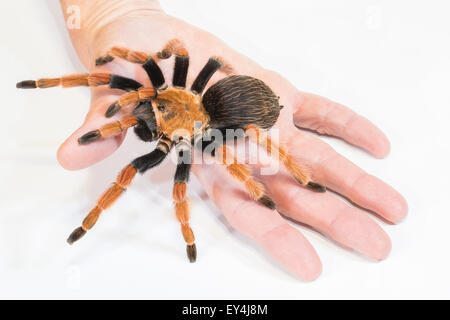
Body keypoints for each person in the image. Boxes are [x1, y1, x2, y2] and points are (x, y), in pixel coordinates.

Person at [57, 0, 407, 281]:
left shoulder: (193, 125)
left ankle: (294, 179)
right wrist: (114, 13)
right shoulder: (161, 92)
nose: (142, 115)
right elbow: (192, 57)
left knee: (232, 148)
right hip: (213, 99)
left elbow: (191, 60)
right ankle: (91, 222)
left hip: (234, 109)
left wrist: (254, 191)